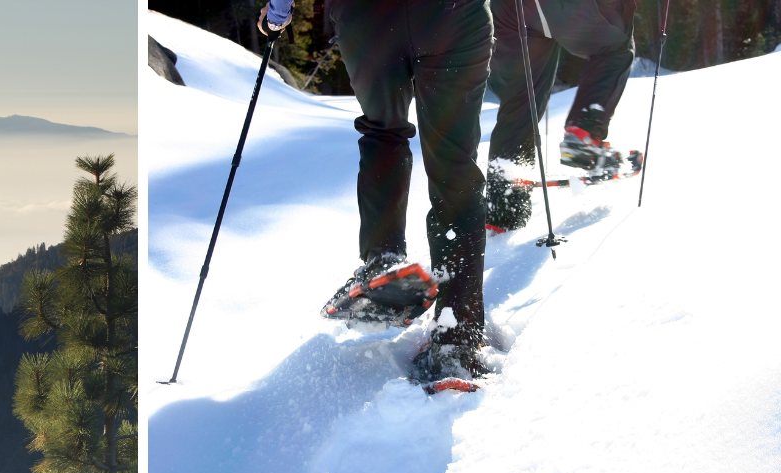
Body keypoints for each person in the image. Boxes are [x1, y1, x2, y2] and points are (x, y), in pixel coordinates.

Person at [262, 0, 491, 385]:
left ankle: (382, 257)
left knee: (383, 132)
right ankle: (458, 337)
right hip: (451, 15)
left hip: (368, 18)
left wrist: (279, 11)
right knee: (454, 163)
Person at [484, 0, 639, 231]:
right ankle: (584, 137)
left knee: (522, 97)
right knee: (615, 47)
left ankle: (504, 206)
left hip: (507, 9)